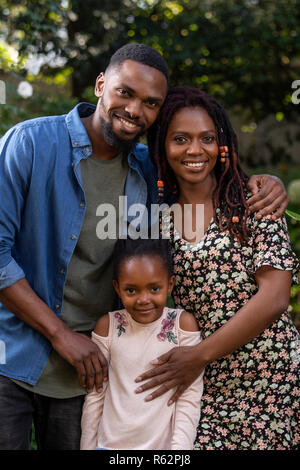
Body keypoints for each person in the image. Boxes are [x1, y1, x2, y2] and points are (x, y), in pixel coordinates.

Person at [0, 42, 289, 450]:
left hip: (89, 371)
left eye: (150, 103)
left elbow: (202, 166)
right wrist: (60, 333)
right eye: (125, 92)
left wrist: (261, 181)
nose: (135, 110)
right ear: (101, 84)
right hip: (13, 355)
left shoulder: (146, 173)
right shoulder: (31, 144)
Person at [134, 86, 300, 450]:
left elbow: (274, 297)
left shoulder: (254, 202)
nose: (195, 150)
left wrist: (199, 355)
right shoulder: (157, 221)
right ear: (162, 146)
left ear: (222, 145)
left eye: (207, 138)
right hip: (202, 383)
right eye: (181, 139)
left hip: (269, 378)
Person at [80, 238, 204, 450]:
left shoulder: (182, 325)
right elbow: (95, 395)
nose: (143, 299)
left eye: (154, 289)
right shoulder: (107, 326)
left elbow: (189, 397)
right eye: (131, 290)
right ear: (117, 288)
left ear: (170, 284)